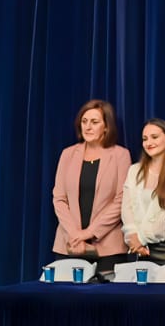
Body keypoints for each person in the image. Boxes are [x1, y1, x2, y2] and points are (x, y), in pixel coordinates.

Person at [51, 100, 134, 265]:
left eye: (94, 122)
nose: (88, 127)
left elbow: (121, 200)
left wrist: (89, 233)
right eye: (84, 121)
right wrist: (75, 234)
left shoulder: (121, 155)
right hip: (70, 244)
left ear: (106, 127)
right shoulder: (67, 154)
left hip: (109, 248)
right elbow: (59, 198)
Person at [122, 119, 165, 264]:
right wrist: (133, 237)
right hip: (136, 250)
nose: (148, 142)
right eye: (145, 139)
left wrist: (141, 239)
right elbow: (126, 208)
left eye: (154, 137)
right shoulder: (134, 170)